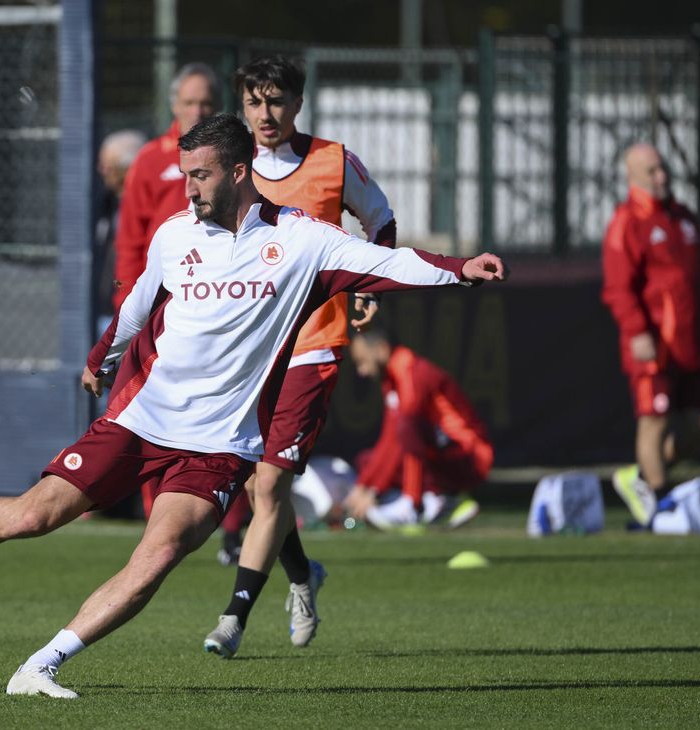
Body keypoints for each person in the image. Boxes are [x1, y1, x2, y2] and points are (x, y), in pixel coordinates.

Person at [0, 113, 507, 699]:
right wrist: (102, 354)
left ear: (237, 172)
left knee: (156, 556)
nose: (188, 189)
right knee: (33, 516)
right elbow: (138, 305)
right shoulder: (176, 235)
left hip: (220, 445)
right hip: (140, 419)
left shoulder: (305, 242)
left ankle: (39, 666)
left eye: (200, 175)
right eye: (185, 175)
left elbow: (390, 261)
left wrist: (460, 268)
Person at [203, 55, 396, 659]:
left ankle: (232, 620)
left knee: (271, 482)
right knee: (263, 486)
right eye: (255, 102)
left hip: (314, 343)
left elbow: (381, 221)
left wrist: (364, 283)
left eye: (277, 101)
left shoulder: (332, 162)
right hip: (249, 350)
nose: (265, 113)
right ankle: (302, 576)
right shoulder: (230, 169)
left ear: (298, 104)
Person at [112, 61, 218, 518]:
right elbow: (130, 241)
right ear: (174, 104)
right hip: (158, 314)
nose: (196, 110)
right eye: (189, 102)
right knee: (147, 415)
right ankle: (154, 512)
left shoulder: (232, 160)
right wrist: (127, 310)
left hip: (216, 309)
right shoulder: (152, 159)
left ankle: (223, 523)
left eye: (206, 102)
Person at [601, 142, 700, 526]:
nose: (662, 176)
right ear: (633, 176)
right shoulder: (627, 221)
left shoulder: (683, 217)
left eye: (663, 168)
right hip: (654, 342)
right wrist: (636, 330)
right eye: (652, 171)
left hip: (692, 341)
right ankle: (661, 505)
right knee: (654, 419)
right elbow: (618, 287)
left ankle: (643, 479)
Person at [342, 329, 493, 529]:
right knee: (366, 459)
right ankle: (437, 502)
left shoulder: (412, 372)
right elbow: (389, 439)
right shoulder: (391, 379)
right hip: (441, 454)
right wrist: (362, 486)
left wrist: (373, 491)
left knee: (407, 426)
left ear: (380, 349)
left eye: (362, 361)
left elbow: (404, 433)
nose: (362, 371)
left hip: (468, 457)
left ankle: (413, 505)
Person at [95, 130, 147, 325]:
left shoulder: (140, 208)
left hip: (128, 307)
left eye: (110, 166)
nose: (102, 170)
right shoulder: (104, 204)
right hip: (102, 305)